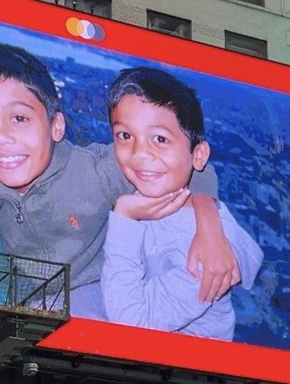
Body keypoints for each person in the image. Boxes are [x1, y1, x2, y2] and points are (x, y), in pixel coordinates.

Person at [0, 43, 238, 318]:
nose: (0, 137)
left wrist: (210, 230)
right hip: (23, 299)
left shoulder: (95, 170)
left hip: (93, 294)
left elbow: (187, 164)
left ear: (56, 126)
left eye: (19, 118)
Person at [100, 67, 262, 339]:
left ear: (198, 156)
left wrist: (125, 218)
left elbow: (131, 322)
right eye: (125, 136)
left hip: (186, 373)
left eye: (160, 139)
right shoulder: (146, 180)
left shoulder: (208, 257)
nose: (139, 154)